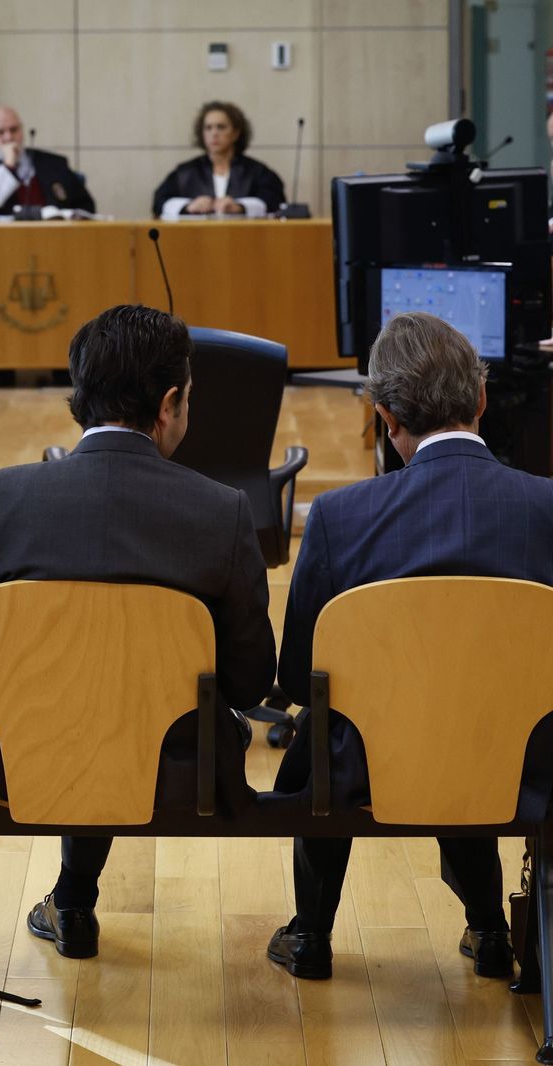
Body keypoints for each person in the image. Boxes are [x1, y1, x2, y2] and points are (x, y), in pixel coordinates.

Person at [0, 304, 275, 961]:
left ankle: (72, 900)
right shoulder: (222, 512)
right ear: (170, 403)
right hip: (172, 771)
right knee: (134, 706)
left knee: (88, 701)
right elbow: (250, 681)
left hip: (21, 762)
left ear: (80, 394)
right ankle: (72, 896)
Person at [265, 312, 553, 982]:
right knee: (471, 716)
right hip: (525, 757)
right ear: (481, 398)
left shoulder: (338, 517)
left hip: (372, 760)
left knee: (335, 726)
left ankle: (311, 934)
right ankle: (489, 929)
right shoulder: (547, 507)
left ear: (386, 416)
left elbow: (299, 676)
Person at [153, 101, 285, 219]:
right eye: (208, 128)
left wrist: (240, 206)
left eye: (221, 127)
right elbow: (159, 202)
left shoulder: (257, 171)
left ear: (236, 133)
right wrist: (188, 207)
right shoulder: (185, 172)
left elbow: (275, 200)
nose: (214, 133)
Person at [0, 106, 95, 216]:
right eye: (0, 132)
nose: (9, 137)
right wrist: (8, 166)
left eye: (14, 130)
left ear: (22, 130)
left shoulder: (54, 163)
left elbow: (86, 206)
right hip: (2, 238)